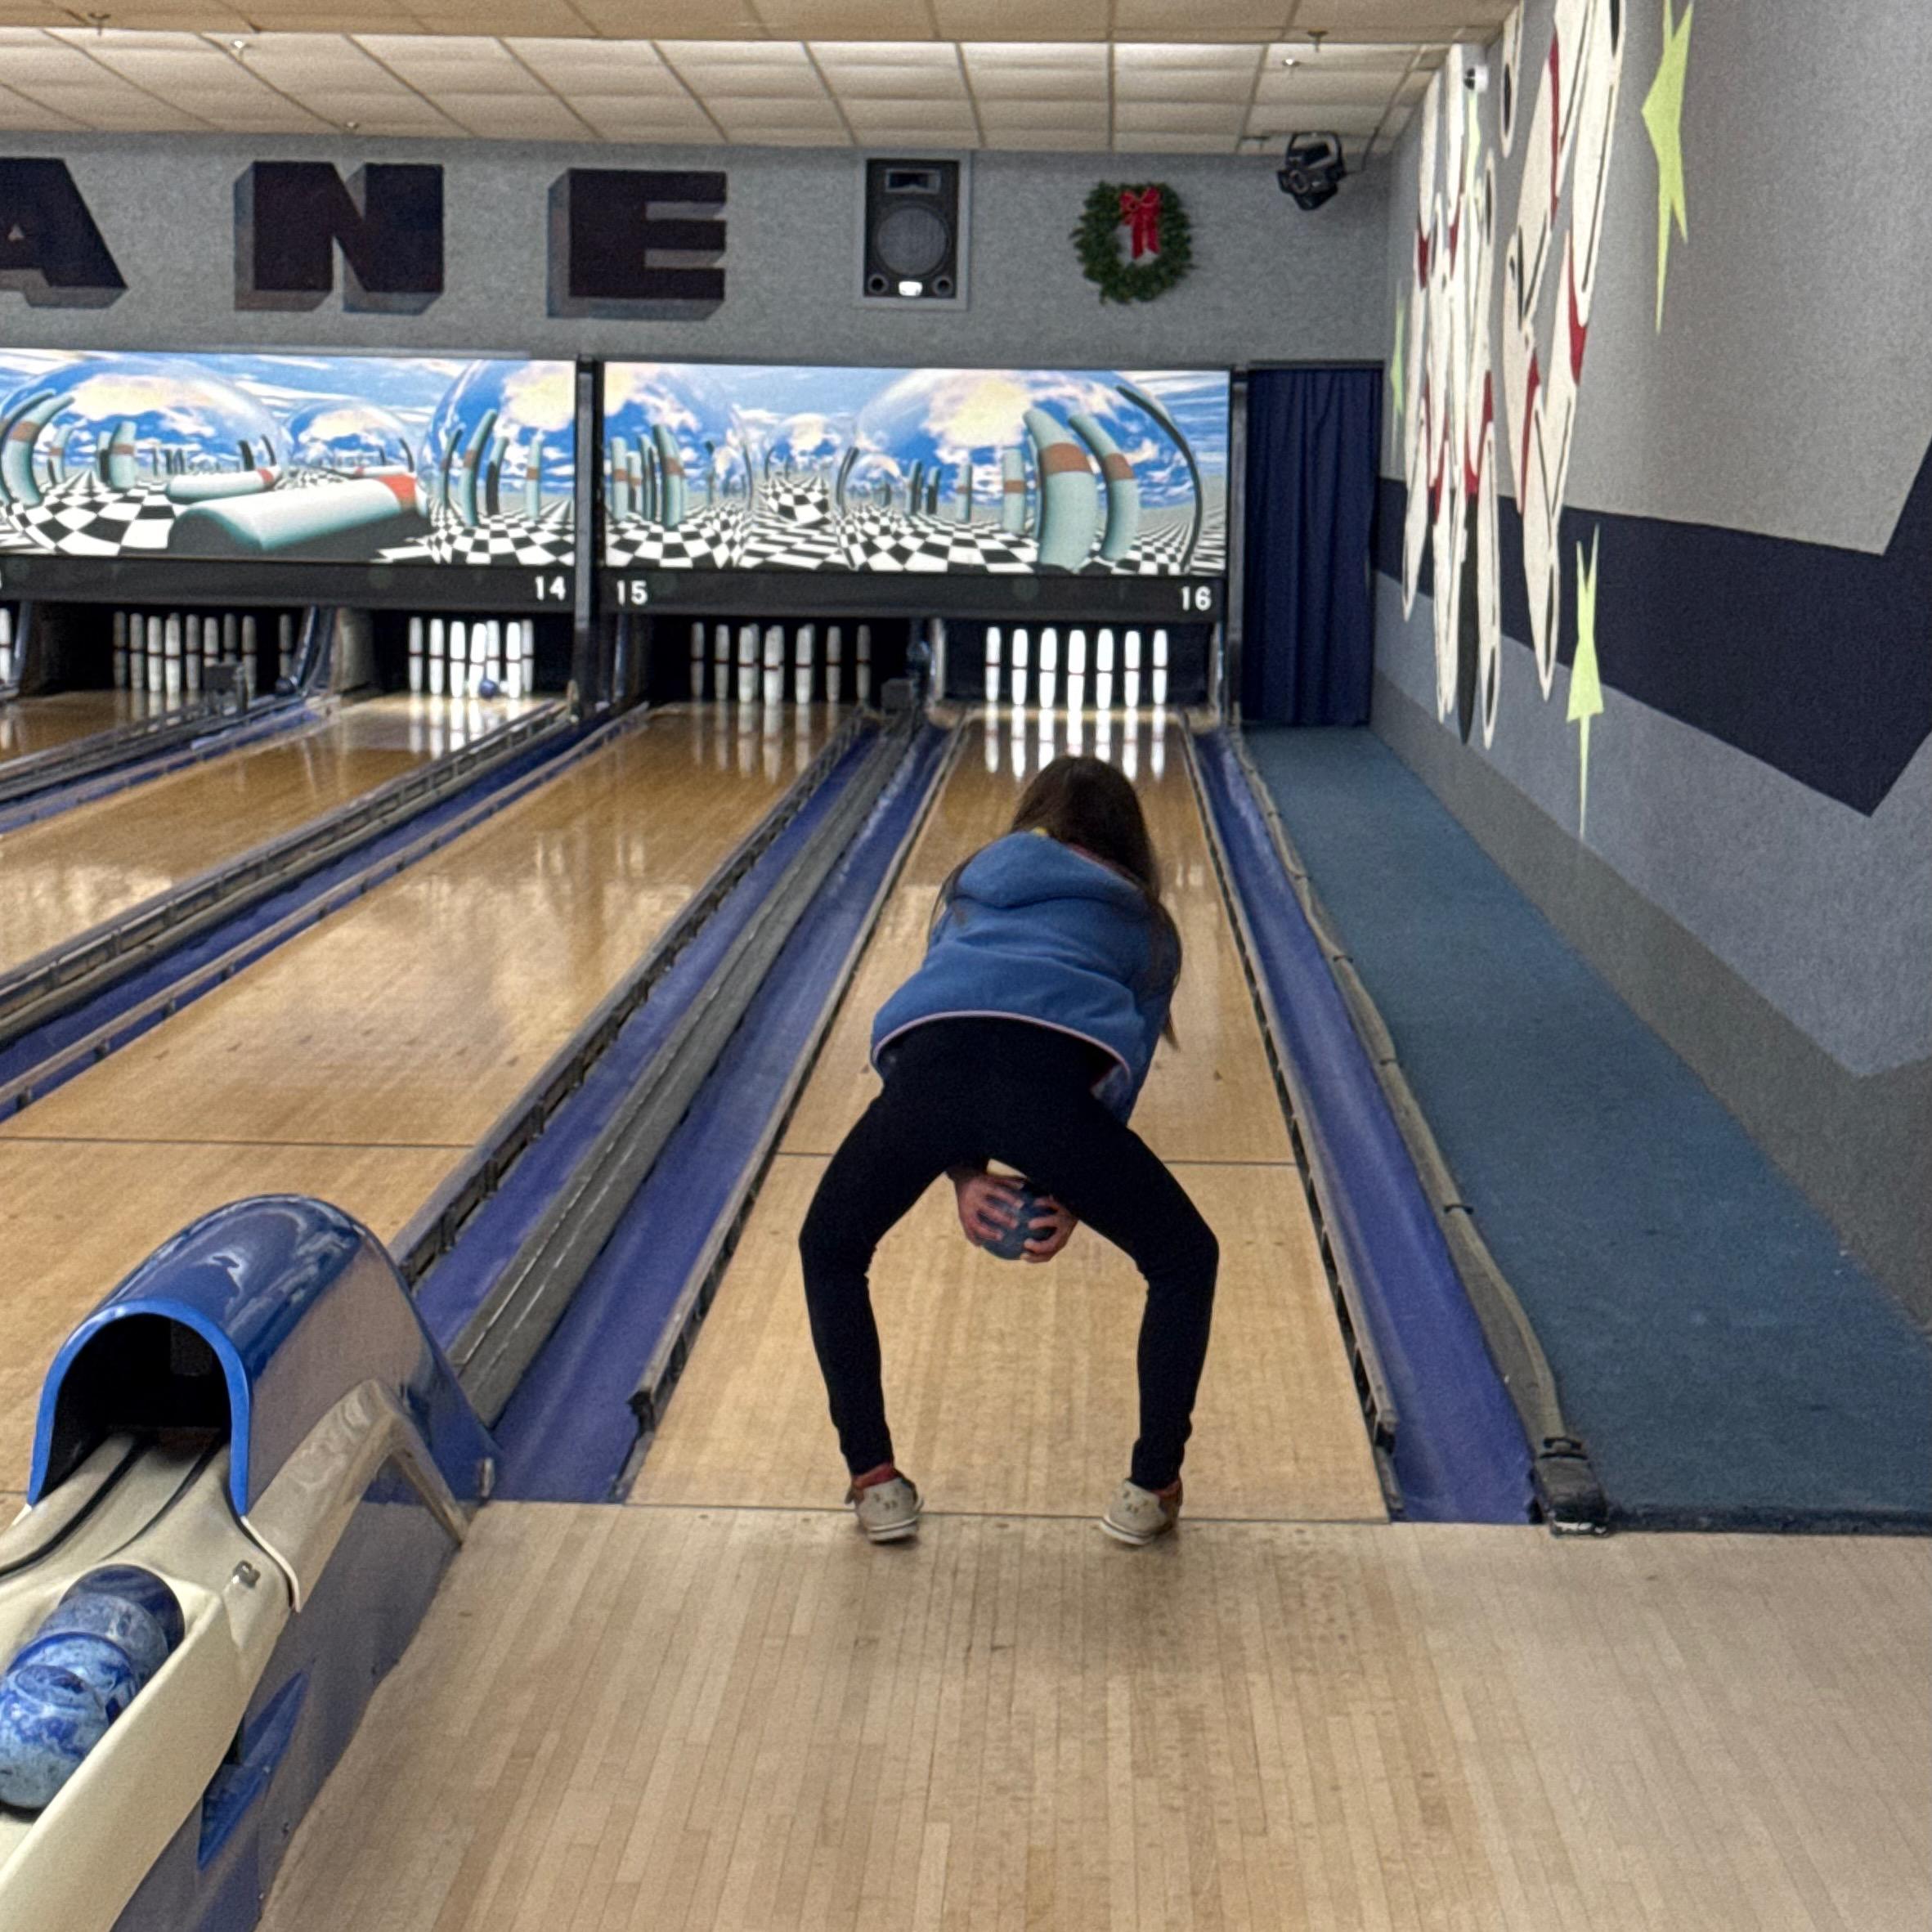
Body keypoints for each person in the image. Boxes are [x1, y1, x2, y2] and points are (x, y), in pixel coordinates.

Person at [798, 753, 1219, 1547]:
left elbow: (948, 1005)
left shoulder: (969, 880)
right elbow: (1115, 1071)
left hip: (928, 1075)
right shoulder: (1144, 921)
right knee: (1182, 1257)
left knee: (830, 1245)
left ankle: (873, 1481)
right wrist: (1070, 1186)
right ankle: (1150, 1483)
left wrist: (960, 1170)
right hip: (1047, 1086)